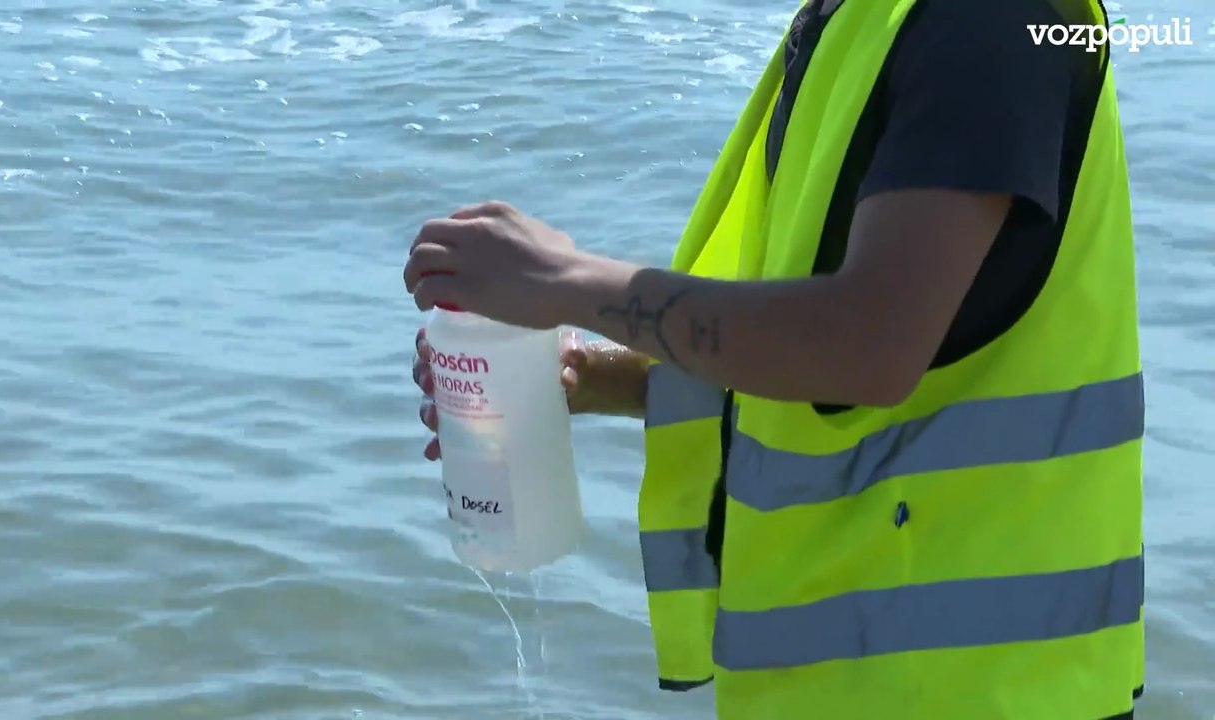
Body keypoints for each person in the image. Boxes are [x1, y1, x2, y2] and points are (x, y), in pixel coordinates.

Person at [407, 0, 1146, 716]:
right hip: (849, 686)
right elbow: (823, 352)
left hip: (975, 692)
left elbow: (870, 345)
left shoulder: (987, 19)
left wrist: (565, 282)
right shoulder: (853, 21)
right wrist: (597, 375)